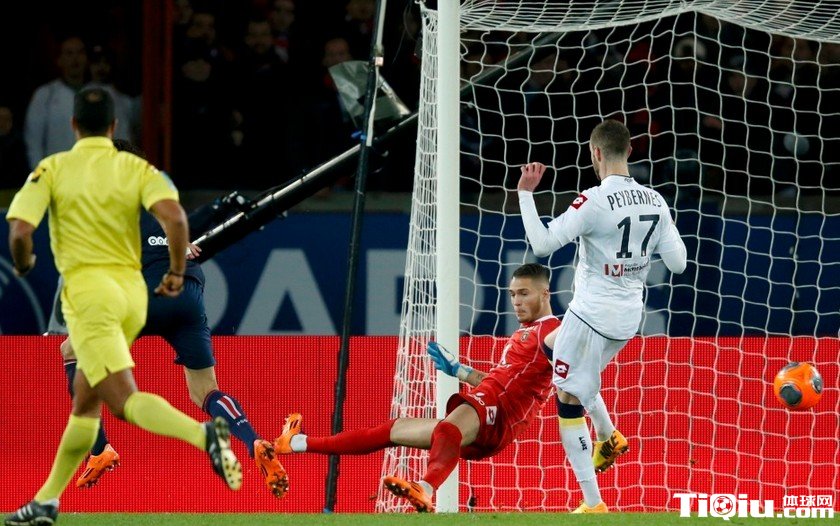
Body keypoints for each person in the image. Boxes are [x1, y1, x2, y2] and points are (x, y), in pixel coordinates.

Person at [5, 88, 241, 526]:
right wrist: (176, 270)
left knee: (121, 399)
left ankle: (204, 434)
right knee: (85, 403)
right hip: (134, 296)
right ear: (114, 125)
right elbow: (175, 218)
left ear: (73, 126)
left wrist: (24, 264)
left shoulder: (53, 168)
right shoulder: (138, 169)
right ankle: (47, 501)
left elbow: (19, 232)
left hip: (95, 298)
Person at [48, 139, 288, 498]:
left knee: (72, 350)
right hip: (189, 295)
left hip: (148, 294)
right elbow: (180, 227)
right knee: (204, 390)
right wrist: (202, 222)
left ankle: (99, 449)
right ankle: (253, 440)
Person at [273, 263, 617, 512]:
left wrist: (604, 426)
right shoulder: (524, 334)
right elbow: (504, 380)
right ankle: (297, 443)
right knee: (392, 430)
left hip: (500, 414)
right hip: (490, 406)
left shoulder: (555, 331)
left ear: (545, 293)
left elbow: (578, 372)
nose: (516, 301)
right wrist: (459, 370)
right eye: (512, 294)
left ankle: (424, 488)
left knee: (448, 428)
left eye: (524, 293)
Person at [517, 119, 687, 513]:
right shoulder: (656, 201)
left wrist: (525, 194)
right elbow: (678, 264)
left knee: (567, 395)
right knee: (552, 348)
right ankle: (609, 436)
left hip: (591, 314)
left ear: (595, 153)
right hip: (628, 317)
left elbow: (542, 245)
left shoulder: (592, 201)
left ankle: (593, 503)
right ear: (629, 151)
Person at [24, 36, 88, 170]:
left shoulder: (99, 93)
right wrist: (40, 174)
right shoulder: (44, 95)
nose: (75, 58)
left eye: (80, 52)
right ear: (59, 60)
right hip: (56, 173)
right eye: (69, 53)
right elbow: (34, 142)